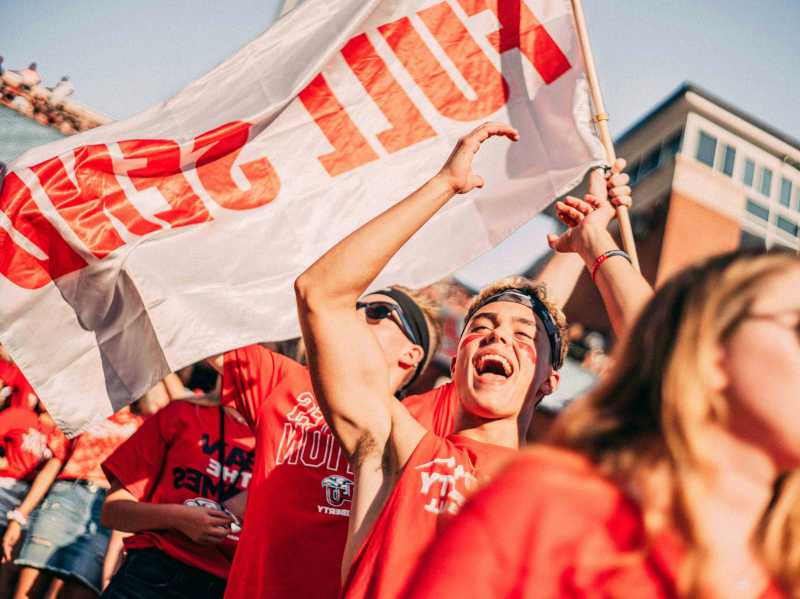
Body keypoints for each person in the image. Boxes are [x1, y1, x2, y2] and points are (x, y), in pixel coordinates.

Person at [294, 122, 651, 598]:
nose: (497, 336)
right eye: (480, 328)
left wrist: (595, 242)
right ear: (458, 356)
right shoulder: (399, 447)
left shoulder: (563, 493)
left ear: (549, 381)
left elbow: (669, 360)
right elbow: (320, 293)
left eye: (522, 334)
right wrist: (444, 185)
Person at [402, 248, 800, 598]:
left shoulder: (785, 570)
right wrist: (595, 246)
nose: (499, 338)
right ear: (709, 354)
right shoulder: (549, 511)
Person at [217, 286, 447, 599]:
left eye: (377, 312)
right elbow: (204, 328)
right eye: (354, 306)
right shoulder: (288, 379)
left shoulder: (421, 422)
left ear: (411, 354)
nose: (354, 316)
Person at [100, 374, 255, 599]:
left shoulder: (288, 450)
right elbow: (112, 511)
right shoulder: (182, 414)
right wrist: (178, 518)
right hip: (152, 576)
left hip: (227, 588)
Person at [7, 407, 142, 599]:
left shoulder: (144, 424)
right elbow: (55, 462)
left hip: (104, 514)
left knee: (78, 590)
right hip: (64, 499)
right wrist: (20, 515)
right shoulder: (84, 410)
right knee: (27, 591)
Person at [0, 402, 59, 596]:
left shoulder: (66, 435)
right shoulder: (20, 415)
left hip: (37, 501)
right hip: (6, 486)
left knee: (9, 565)